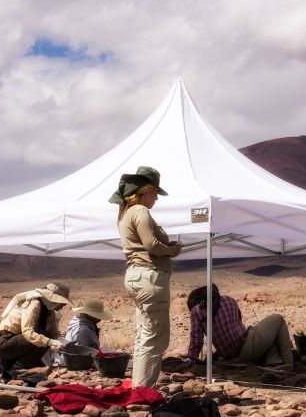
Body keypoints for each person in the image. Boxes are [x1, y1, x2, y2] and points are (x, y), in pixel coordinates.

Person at [109, 166, 182, 388]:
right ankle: (143, 391)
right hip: (149, 276)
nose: (156, 199)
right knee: (156, 337)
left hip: (136, 276)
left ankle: (138, 387)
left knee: (145, 333)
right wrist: (172, 250)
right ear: (144, 191)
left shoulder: (124, 213)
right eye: (154, 193)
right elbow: (151, 245)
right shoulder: (140, 211)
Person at [185, 284, 294, 368]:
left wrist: (192, 360)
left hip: (234, 357)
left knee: (271, 338)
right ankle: (288, 363)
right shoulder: (228, 300)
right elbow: (238, 329)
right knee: (278, 319)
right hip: (248, 345)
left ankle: (274, 364)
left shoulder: (197, 312)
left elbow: (196, 340)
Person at [0, 281, 71, 379]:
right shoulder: (34, 303)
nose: (64, 305)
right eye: (62, 302)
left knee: (41, 371)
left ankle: (16, 366)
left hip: (17, 344)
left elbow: (53, 332)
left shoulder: (49, 311)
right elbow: (27, 332)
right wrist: (50, 342)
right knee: (46, 336)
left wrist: (61, 345)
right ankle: (17, 368)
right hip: (4, 342)